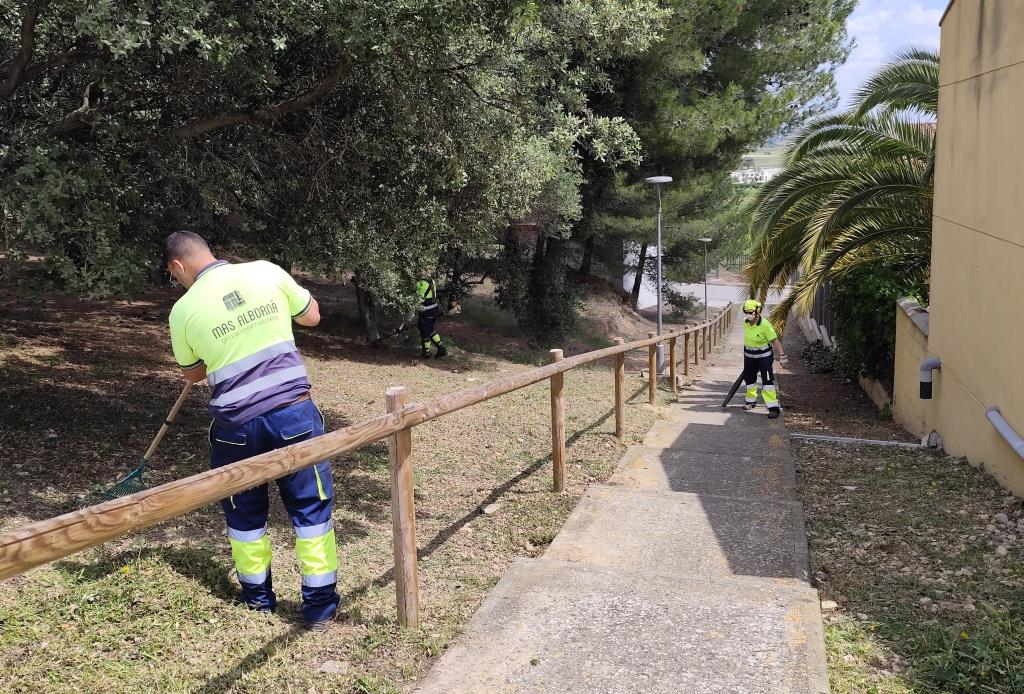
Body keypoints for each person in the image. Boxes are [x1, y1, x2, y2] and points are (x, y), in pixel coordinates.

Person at [164, 231, 339, 630]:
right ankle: (319, 607)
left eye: (174, 275)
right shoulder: (265, 271)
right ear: (210, 251)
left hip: (234, 429)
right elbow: (311, 316)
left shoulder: (182, 311)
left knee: (245, 518)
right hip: (294, 418)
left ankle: (257, 601)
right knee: (311, 512)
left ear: (178, 265)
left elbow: (193, 373)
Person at [741, 298, 788, 419]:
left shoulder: (765, 325)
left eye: (751, 312)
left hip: (764, 359)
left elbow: (775, 340)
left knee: (767, 381)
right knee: (749, 380)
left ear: (758, 312)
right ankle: (751, 401)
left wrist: (782, 356)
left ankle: (773, 407)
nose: (748, 315)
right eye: (746, 312)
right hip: (749, 358)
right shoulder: (745, 322)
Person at [415, 278, 448, 359]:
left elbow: (418, 299)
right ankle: (441, 349)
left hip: (426, 312)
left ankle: (427, 353)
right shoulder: (431, 280)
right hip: (433, 310)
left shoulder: (421, 283)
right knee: (430, 330)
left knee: (425, 331)